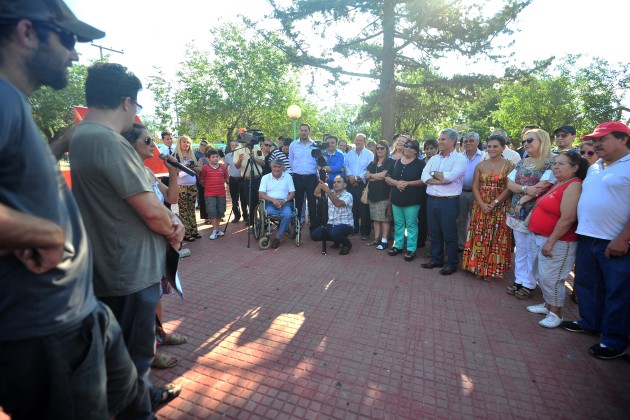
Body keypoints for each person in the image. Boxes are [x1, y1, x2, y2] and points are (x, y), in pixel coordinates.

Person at [0, 4, 137, 418]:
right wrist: (44, 234)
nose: (75, 54)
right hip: (44, 329)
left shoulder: (14, 103)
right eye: (69, 39)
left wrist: (56, 145)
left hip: (78, 313)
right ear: (26, 33)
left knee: (133, 400)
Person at [69, 62, 184, 417]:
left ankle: (146, 396)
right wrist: (174, 226)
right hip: (128, 273)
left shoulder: (82, 138)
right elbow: (152, 211)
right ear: (126, 102)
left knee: (128, 361)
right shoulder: (108, 141)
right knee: (133, 361)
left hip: (113, 266)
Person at [561, 121, 630, 360]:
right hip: (588, 236)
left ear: (623, 140)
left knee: (617, 293)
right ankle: (590, 323)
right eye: (595, 140)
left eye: (603, 139)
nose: (596, 144)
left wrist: (624, 238)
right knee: (588, 285)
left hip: (615, 241)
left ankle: (614, 341)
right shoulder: (594, 166)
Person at [122, 123, 185, 369]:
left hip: (158, 244)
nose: (153, 146)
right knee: (144, 301)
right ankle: (150, 351)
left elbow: (171, 198)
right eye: (147, 141)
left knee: (156, 295)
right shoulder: (128, 173)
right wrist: (171, 226)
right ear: (130, 145)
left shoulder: (147, 173)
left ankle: (160, 334)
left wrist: (172, 173)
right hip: (141, 246)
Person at [526, 151, 588, 328]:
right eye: (555, 163)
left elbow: (567, 218)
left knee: (552, 278)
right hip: (542, 237)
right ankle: (547, 305)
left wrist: (551, 241)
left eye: (561, 164)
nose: (555, 166)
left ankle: (556, 313)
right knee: (542, 275)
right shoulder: (560, 183)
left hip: (559, 242)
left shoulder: (574, 185)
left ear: (575, 168)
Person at [505, 128, 556, 299]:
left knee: (533, 249)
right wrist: (525, 189)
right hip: (517, 211)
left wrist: (522, 199)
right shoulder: (522, 162)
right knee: (520, 248)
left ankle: (529, 283)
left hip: (535, 212)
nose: (526, 144)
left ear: (542, 141)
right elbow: (509, 183)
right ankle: (519, 279)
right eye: (525, 141)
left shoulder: (551, 162)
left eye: (530, 140)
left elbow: (542, 187)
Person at [461, 136, 514, 281]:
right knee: (480, 235)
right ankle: (477, 267)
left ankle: (491, 270)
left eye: (495, 146)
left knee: (496, 237)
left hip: (499, 207)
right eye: (489, 146)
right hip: (481, 206)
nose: (491, 149)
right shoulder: (480, 165)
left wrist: (495, 202)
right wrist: (482, 204)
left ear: (503, 148)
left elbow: (509, 188)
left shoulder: (509, 165)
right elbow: (474, 186)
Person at [421, 128, 467, 275]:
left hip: (449, 202)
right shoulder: (434, 158)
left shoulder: (460, 159)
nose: (439, 142)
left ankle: (452, 263)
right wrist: (439, 179)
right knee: (434, 232)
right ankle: (436, 259)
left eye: (443, 139)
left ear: (452, 141)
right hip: (431, 200)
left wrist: (434, 176)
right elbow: (424, 176)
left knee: (449, 233)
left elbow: (450, 177)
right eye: (439, 139)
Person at [386, 140, 426, 261]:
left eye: (412, 147)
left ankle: (411, 249)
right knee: (398, 224)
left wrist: (408, 183)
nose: (408, 148)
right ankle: (397, 246)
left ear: (416, 151)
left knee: (411, 225)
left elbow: (424, 181)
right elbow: (387, 177)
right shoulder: (396, 162)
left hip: (412, 199)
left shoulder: (421, 164)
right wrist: (396, 183)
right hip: (397, 199)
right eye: (406, 146)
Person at [311, 176, 354, 255]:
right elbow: (316, 193)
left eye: (339, 182)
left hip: (345, 225)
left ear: (345, 185)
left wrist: (327, 190)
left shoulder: (348, 195)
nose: (336, 184)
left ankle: (347, 244)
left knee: (333, 233)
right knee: (314, 235)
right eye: (334, 182)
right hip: (331, 224)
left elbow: (338, 203)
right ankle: (337, 240)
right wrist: (320, 185)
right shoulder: (330, 193)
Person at [258, 160, 296, 248]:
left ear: (282, 168)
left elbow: (292, 193)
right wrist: (273, 200)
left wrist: (285, 201)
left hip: (285, 203)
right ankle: (284, 227)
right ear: (271, 167)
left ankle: (278, 237)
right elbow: (260, 194)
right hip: (270, 203)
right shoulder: (265, 177)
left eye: (279, 167)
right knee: (270, 212)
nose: (276, 169)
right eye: (274, 167)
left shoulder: (288, 177)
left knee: (288, 214)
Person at [456, 132, 484, 251]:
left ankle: (474, 246)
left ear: (477, 142)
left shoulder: (484, 157)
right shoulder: (459, 157)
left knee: (476, 221)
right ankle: (461, 245)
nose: (468, 143)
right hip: (460, 192)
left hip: (477, 194)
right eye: (466, 141)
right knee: (460, 221)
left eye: (471, 141)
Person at [289, 123, 319, 230]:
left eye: (306, 130)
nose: (303, 132)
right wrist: (297, 171)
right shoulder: (293, 145)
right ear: (299, 131)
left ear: (309, 132)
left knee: (312, 202)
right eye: (302, 130)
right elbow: (291, 160)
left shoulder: (315, 145)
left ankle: (313, 226)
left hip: (311, 177)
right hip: (298, 177)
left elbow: (318, 161)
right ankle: (297, 224)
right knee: (298, 202)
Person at [344, 133, 374, 239]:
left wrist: (357, 178)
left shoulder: (369, 154)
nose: (358, 142)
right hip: (351, 183)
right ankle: (354, 228)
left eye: (360, 140)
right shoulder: (349, 154)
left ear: (365, 142)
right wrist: (351, 177)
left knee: (363, 208)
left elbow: (368, 168)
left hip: (363, 184)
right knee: (353, 208)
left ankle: (365, 232)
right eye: (357, 140)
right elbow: (346, 166)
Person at [365, 140, 393, 250]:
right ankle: (376, 239)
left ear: (386, 150)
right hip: (372, 194)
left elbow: (385, 175)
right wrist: (377, 176)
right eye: (378, 148)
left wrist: (372, 176)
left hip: (385, 195)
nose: (379, 150)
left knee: (384, 219)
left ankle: (384, 240)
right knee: (376, 218)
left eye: (382, 148)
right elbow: (366, 176)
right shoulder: (372, 163)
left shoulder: (390, 162)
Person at [174, 134, 202, 242]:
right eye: (184, 142)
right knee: (183, 209)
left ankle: (194, 230)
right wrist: (182, 168)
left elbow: (200, 169)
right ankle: (186, 233)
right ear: (179, 143)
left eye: (188, 142)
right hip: (181, 185)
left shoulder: (193, 155)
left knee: (191, 209)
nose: (186, 144)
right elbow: (172, 171)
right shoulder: (175, 155)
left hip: (192, 185)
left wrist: (192, 166)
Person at [199, 149, 229, 240]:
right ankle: (215, 229)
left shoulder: (223, 167)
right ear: (208, 159)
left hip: (221, 193)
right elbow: (201, 180)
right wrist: (209, 187)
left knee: (220, 211)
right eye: (213, 157)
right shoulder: (205, 168)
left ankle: (217, 229)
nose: (215, 159)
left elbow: (226, 178)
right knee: (212, 211)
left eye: (217, 157)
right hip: (209, 194)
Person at [418, 139, 438, 250]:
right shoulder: (420, 162)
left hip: (434, 192)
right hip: (421, 193)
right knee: (421, 218)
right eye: (427, 148)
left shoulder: (439, 161)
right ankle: (421, 240)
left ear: (436, 149)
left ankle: (432, 245)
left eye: (431, 148)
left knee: (433, 221)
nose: (429, 151)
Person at [225, 140, 246, 223]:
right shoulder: (228, 156)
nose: (234, 147)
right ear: (230, 147)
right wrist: (226, 178)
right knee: (234, 199)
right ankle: (236, 215)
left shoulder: (243, 155)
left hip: (242, 179)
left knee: (243, 199)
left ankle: (245, 215)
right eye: (232, 145)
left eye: (236, 145)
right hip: (233, 179)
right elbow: (225, 167)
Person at [157, 130, 175, 209]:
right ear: (163, 140)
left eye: (171, 138)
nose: (169, 140)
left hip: (177, 176)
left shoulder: (176, 149)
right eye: (167, 139)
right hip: (166, 176)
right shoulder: (160, 151)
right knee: (167, 198)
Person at [195, 139, 209, 224]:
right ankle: (205, 217)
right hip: (201, 180)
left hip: (211, 181)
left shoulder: (212, 156)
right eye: (202, 144)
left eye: (205, 145)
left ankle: (214, 216)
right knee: (202, 199)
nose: (203, 146)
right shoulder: (196, 154)